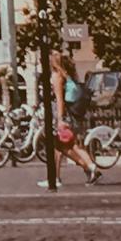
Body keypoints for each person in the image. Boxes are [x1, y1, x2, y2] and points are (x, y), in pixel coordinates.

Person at [42, 52, 102, 185]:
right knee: (66, 145)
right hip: (72, 114)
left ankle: (89, 167)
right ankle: (87, 169)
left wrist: (60, 119)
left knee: (68, 145)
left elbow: (59, 100)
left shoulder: (57, 76)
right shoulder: (69, 76)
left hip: (64, 114)